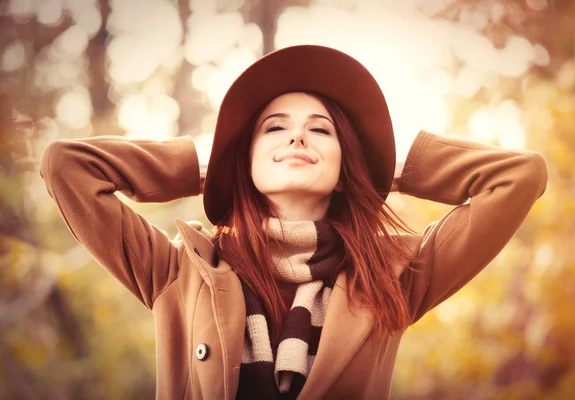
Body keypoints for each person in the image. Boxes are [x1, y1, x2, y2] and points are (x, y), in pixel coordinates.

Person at [39, 45, 548, 400]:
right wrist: (205, 167)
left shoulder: (395, 274)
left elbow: (518, 176)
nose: (297, 139)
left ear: (345, 164)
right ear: (247, 160)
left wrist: (386, 170)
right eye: (275, 129)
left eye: (320, 130)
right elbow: (67, 167)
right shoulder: (178, 270)